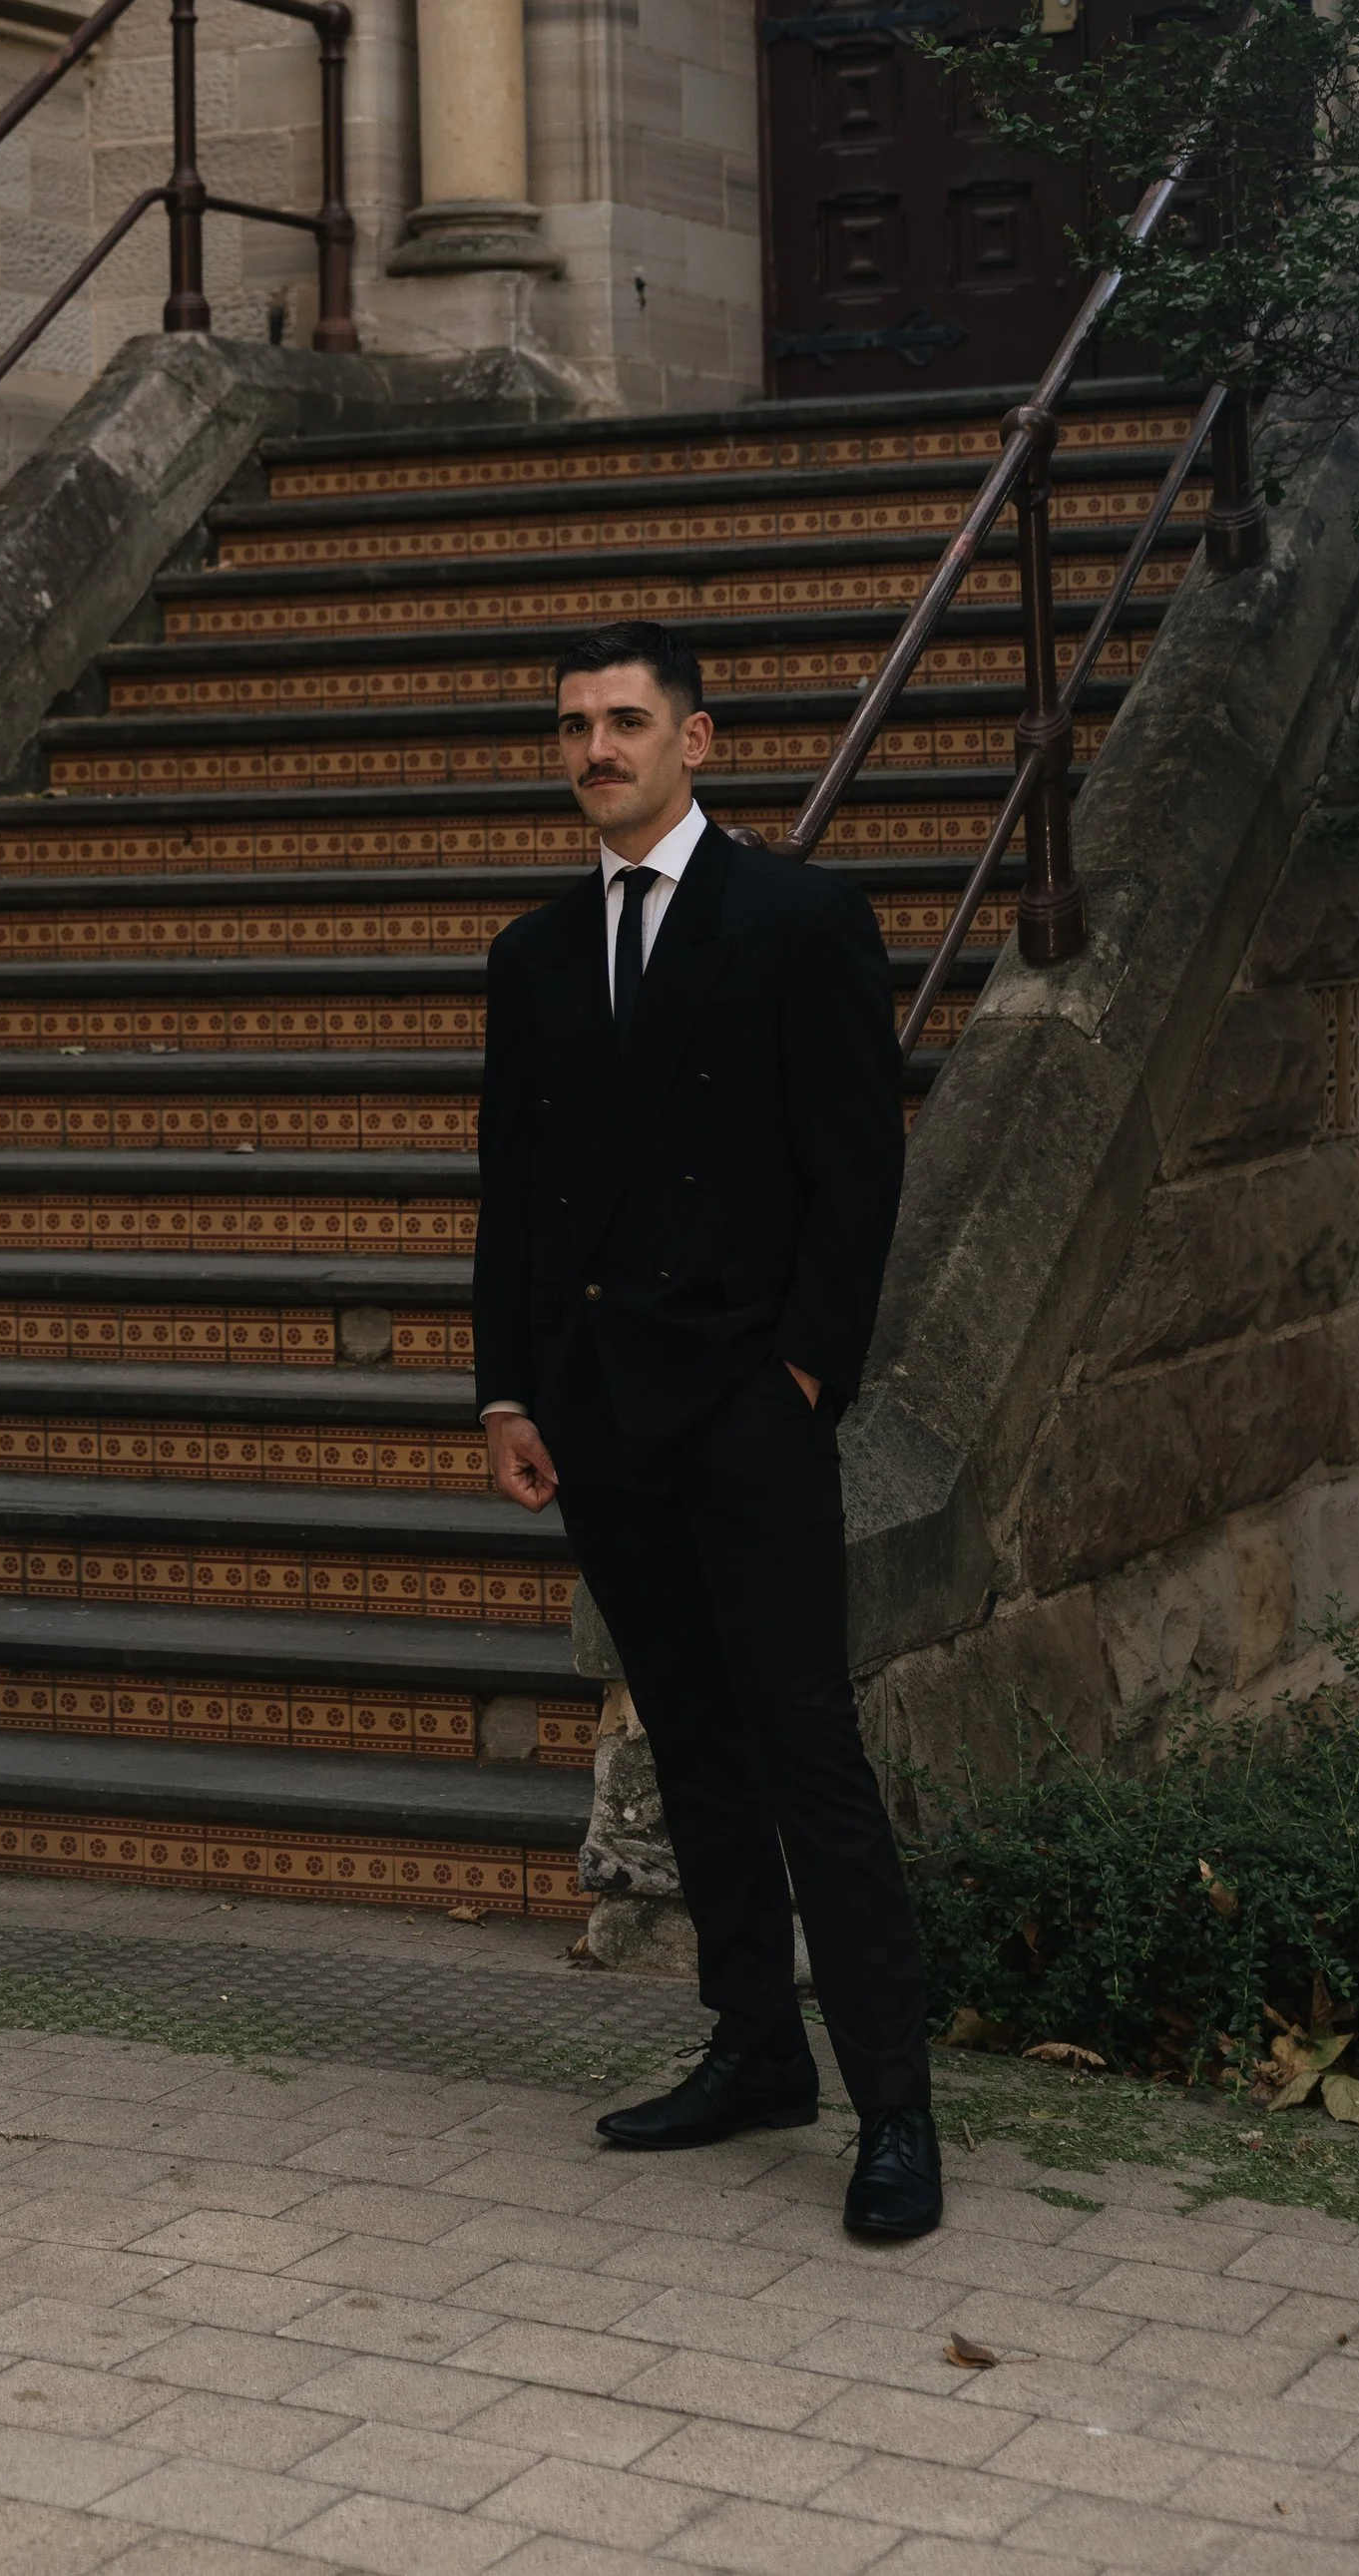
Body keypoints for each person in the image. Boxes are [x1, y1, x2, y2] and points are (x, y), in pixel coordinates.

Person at [473, 617, 940, 2239]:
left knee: (807, 1744)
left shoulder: (799, 918)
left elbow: (855, 1171)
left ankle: (894, 2106)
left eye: (623, 719)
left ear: (698, 738)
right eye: (574, 724)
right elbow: (513, 1196)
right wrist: (507, 1385)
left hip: (745, 1396)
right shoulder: (534, 954)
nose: (595, 747)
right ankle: (755, 2048)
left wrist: (805, 1371)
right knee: (692, 1743)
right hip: (601, 1410)